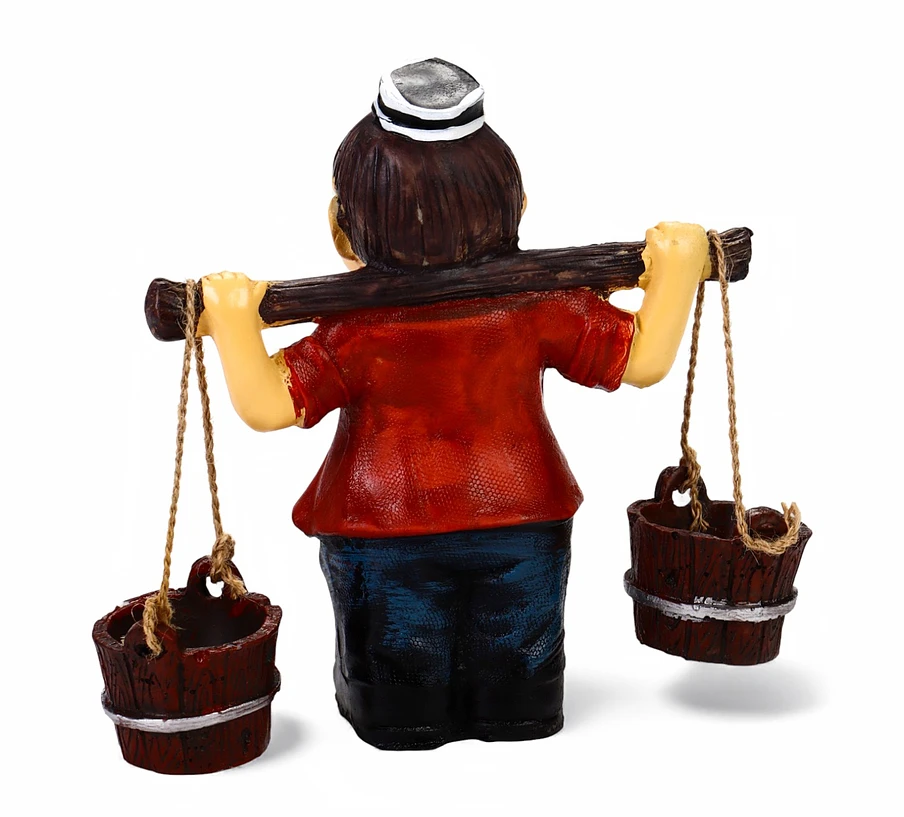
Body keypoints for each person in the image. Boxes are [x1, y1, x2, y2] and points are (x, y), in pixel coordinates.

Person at [199, 58, 710, 750]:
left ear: (343, 228)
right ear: (516, 210)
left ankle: (404, 715)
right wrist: (677, 272)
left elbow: (268, 405)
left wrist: (232, 320)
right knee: (518, 653)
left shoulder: (357, 331)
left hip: (381, 524)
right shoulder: (536, 304)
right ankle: (515, 708)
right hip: (521, 513)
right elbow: (642, 359)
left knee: (395, 662)